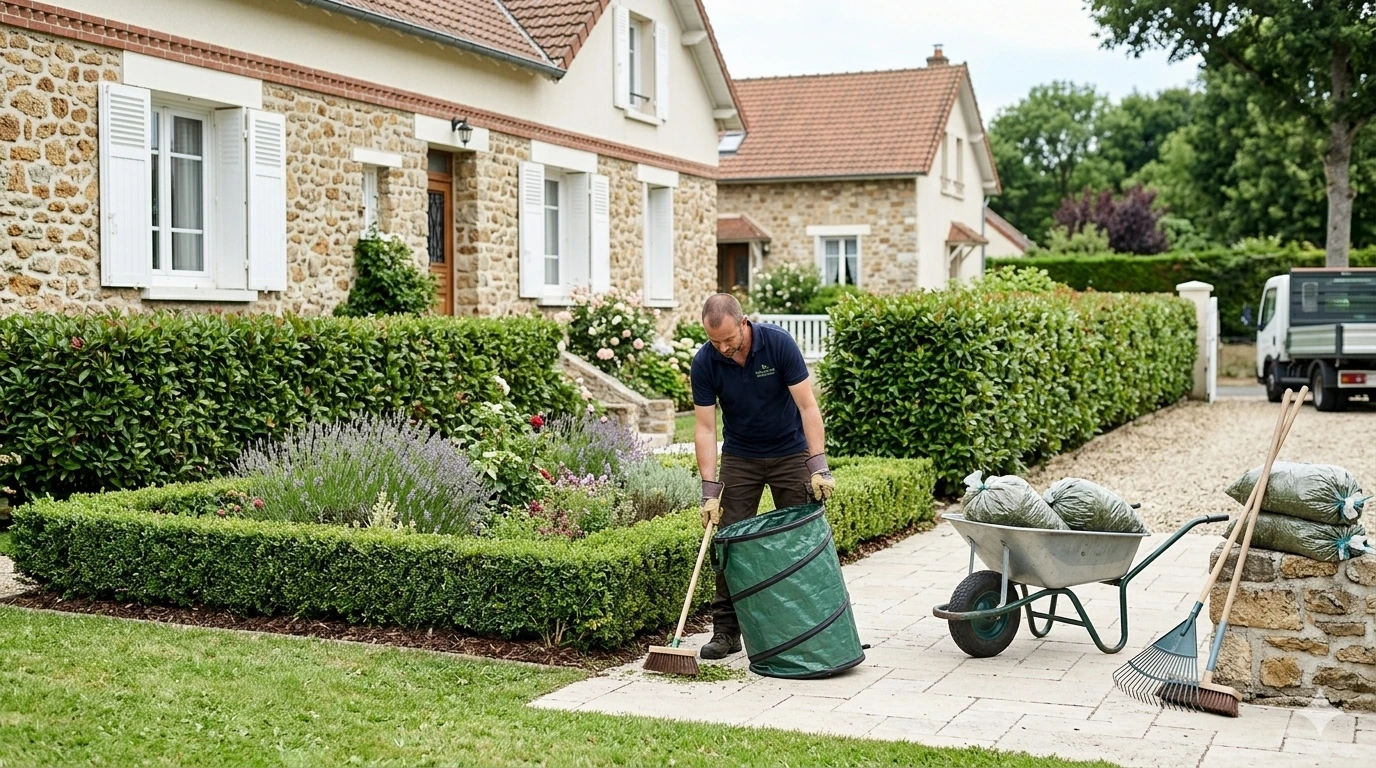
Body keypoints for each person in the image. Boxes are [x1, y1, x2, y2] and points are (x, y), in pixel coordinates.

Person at [690, 293, 835, 660]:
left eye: (728, 339)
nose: (722, 348)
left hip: (790, 451)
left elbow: (808, 405)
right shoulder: (705, 362)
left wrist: (818, 466)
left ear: (743, 323)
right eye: (714, 341)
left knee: (802, 538)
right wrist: (709, 491)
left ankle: (815, 624)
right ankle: (725, 631)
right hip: (741, 456)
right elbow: (706, 428)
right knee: (729, 543)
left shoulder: (778, 343)